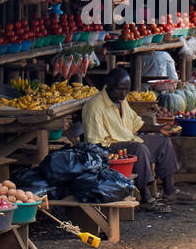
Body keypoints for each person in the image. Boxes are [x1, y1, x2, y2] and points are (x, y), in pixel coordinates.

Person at [81, 68, 189, 212]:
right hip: (107, 149)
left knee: (163, 141)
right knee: (138, 148)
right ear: (109, 86)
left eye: (127, 90)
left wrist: (160, 128)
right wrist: (128, 145)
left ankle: (170, 191)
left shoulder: (121, 100)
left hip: (129, 141)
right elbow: (95, 144)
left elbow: (137, 123)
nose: (124, 94)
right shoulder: (94, 106)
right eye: (120, 90)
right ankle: (146, 198)